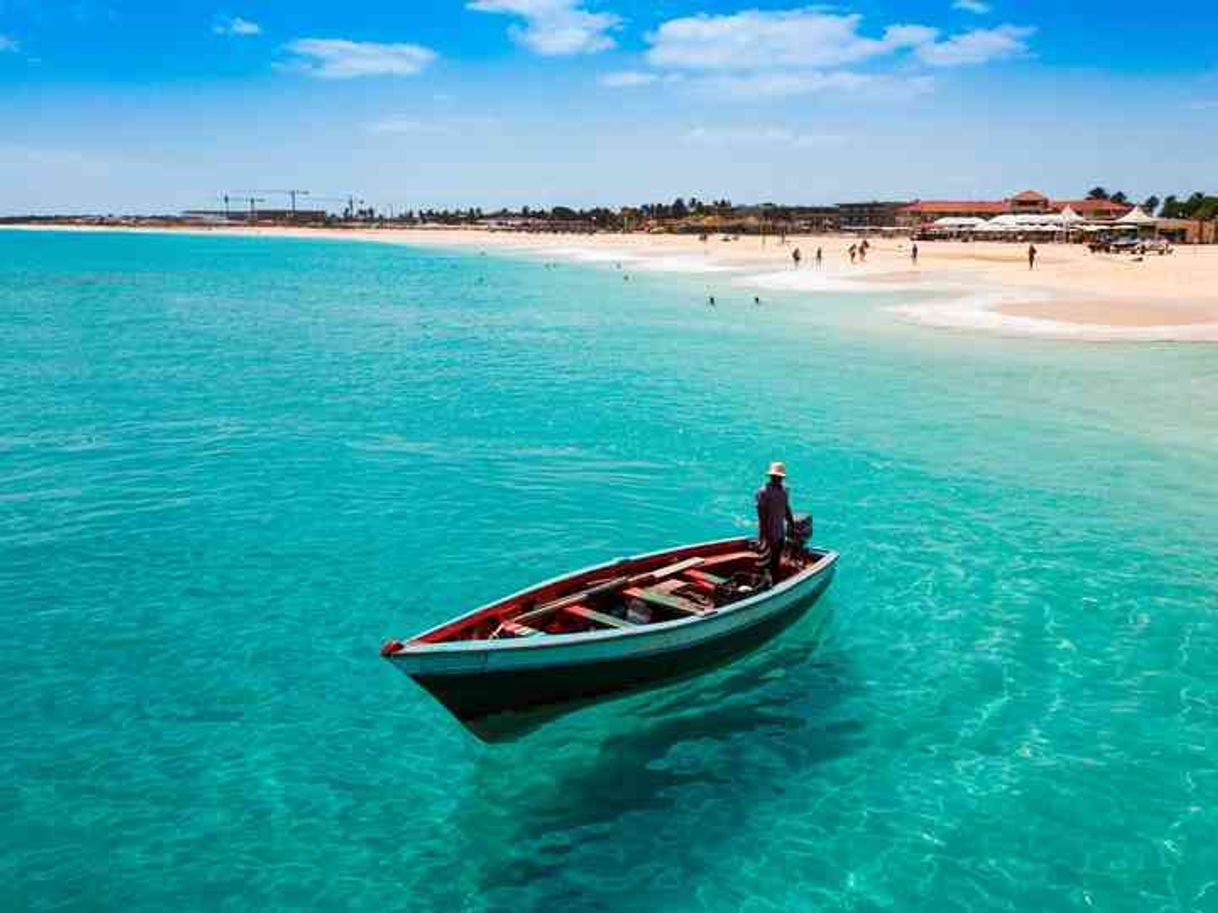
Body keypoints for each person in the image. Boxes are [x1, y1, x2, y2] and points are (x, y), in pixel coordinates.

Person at [755, 461, 795, 583]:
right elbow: (761, 516)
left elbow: (786, 507)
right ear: (771, 476)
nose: (777, 478)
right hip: (769, 532)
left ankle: (775, 582)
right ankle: (765, 584)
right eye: (775, 476)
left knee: (775, 561)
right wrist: (762, 536)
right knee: (766, 562)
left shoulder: (785, 491)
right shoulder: (762, 492)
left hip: (780, 532)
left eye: (779, 477)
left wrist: (791, 523)